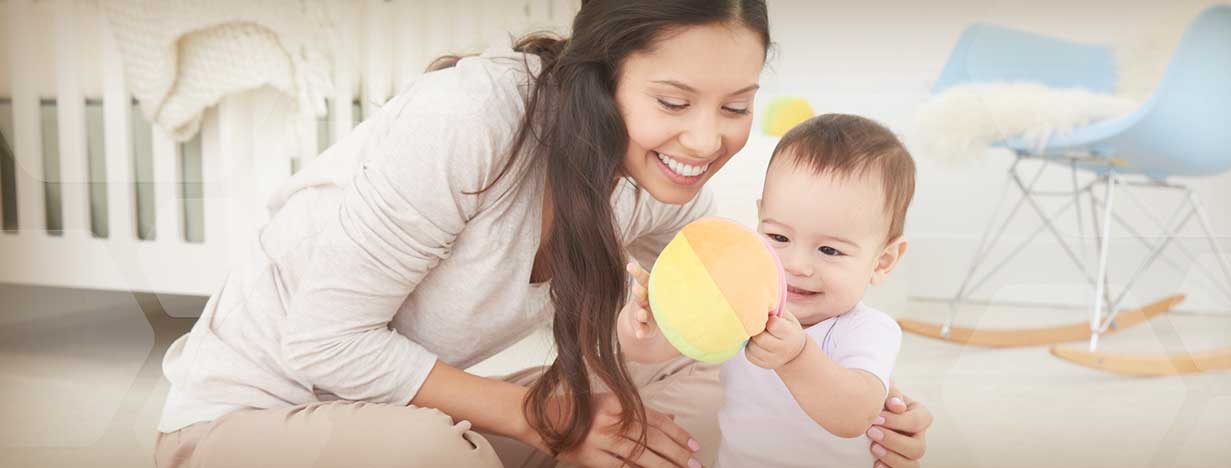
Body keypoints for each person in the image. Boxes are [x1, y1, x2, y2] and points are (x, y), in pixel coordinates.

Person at [152, 1, 932, 467]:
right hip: (251, 420)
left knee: (695, 395)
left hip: (427, 416)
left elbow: (762, 317)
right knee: (425, 454)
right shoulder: (473, 117)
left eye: (734, 107)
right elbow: (324, 344)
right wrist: (551, 421)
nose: (704, 142)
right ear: (603, 78)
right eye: (673, 101)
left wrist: (870, 410)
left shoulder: (661, 182)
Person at [620, 113, 915, 467]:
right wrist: (648, 323)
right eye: (778, 237)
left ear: (882, 261)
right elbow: (652, 351)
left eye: (830, 250)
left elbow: (856, 415)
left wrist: (796, 357)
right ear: (759, 220)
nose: (796, 265)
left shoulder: (867, 330)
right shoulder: (744, 306)